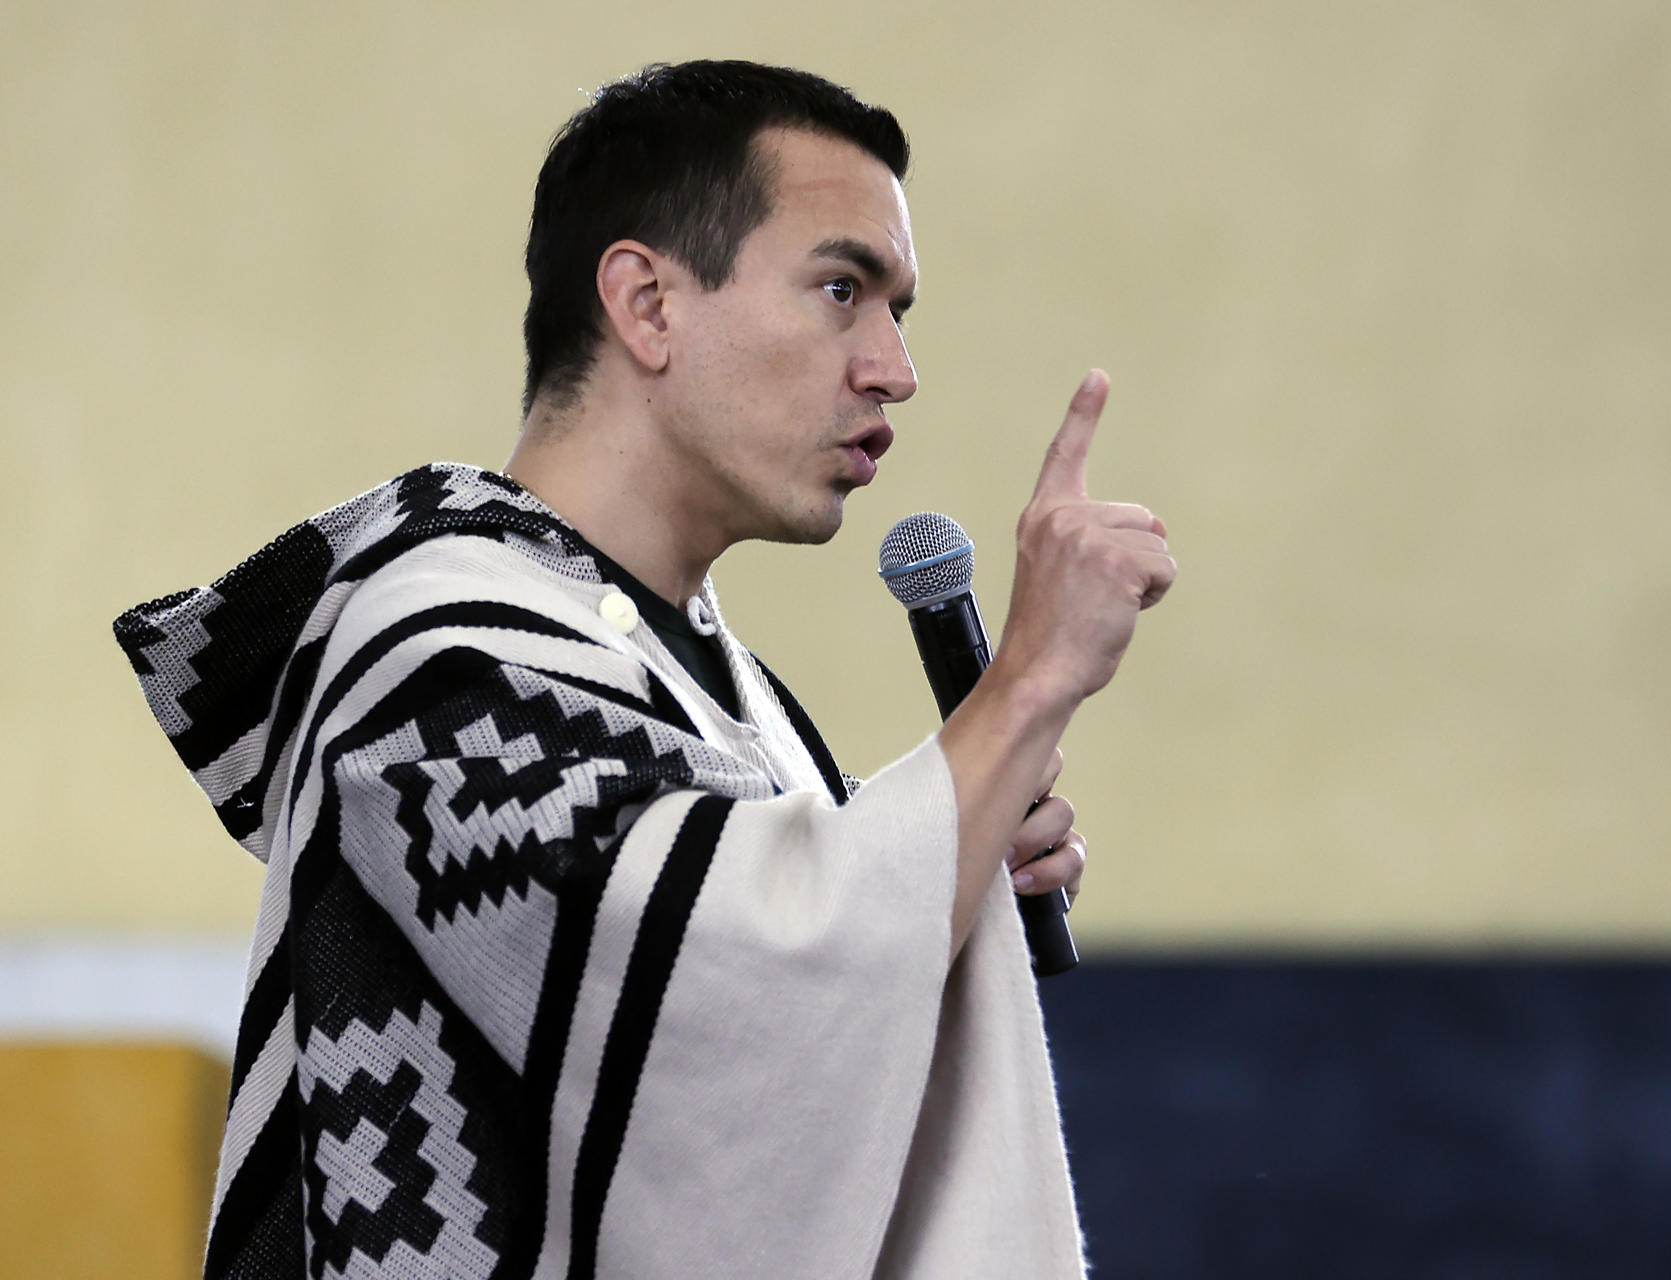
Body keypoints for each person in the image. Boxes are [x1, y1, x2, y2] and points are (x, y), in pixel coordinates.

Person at [114, 60, 1175, 1279]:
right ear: (648, 303)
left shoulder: (732, 697)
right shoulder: (428, 654)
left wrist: (962, 849)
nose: (894, 367)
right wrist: (1025, 687)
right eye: (843, 288)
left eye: (900, 311)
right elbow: (711, 1002)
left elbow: (792, 1039)